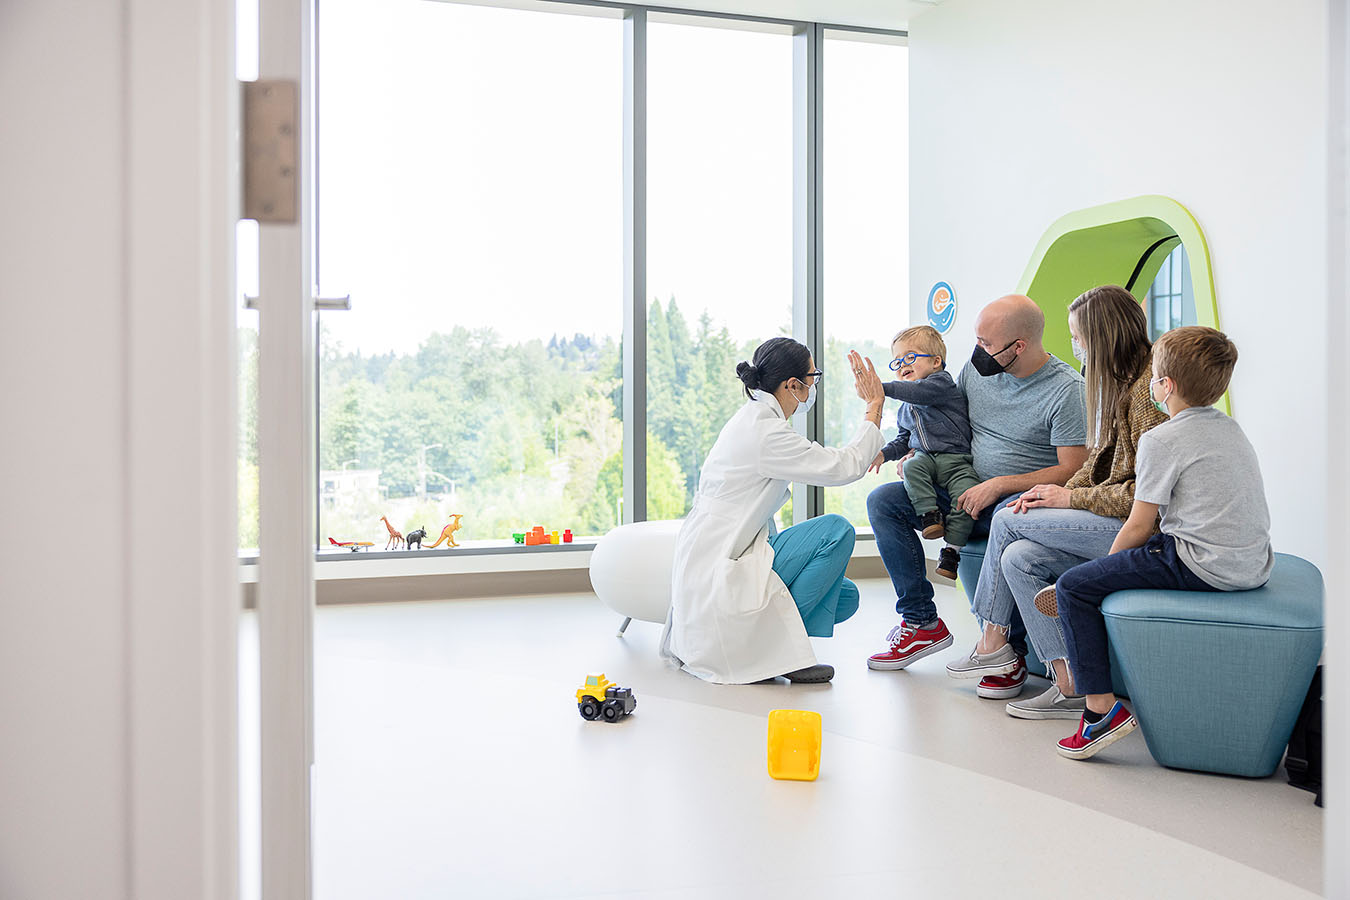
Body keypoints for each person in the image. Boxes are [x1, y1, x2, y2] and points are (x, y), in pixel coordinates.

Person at [1037, 326, 1272, 759]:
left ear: (1167, 385)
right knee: (1118, 567)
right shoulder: (1230, 429)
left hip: (1199, 563)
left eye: (1155, 375)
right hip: (1253, 564)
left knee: (1074, 587)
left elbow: (1140, 525)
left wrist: (1097, 573)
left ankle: (1099, 713)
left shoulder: (1161, 439)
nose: (1150, 382)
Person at [943, 285, 1168, 709]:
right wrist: (1058, 490)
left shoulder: (1145, 396)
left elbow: (1147, 496)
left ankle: (992, 640)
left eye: (1079, 338)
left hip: (1144, 532)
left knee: (1009, 518)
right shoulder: (1121, 385)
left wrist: (1072, 500)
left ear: (1101, 338)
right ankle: (1070, 684)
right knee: (1018, 558)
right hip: (1111, 517)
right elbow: (1099, 463)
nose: (1075, 347)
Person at [866, 295, 1087, 678]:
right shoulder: (976, 371)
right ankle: (921, 623)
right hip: (961, 488)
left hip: (1020, 501)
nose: (977, 352)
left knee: (1008, 517)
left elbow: (1073, 469)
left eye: (986, 345)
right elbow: (946, 420)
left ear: (1019, 346)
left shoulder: (1066, 390)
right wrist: (919, 456)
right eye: (977, 341)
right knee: (883, 501)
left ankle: (1010, 653)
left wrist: (1000, 485)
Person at [660, 337, 887, 685]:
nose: (814, 386)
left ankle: (773, 647)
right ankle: (780, 658)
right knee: (837, 530)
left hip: (720, 555)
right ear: (792, 385)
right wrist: (874, 406)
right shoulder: (764, 432)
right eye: (814, 377)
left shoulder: (754, 419)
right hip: (722, 564)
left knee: (845, 597)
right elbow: (843, 466)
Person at [867, 325, 979, 581]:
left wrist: (879, 388)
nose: (902, 365)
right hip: (927, 461)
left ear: (936, 361)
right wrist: (883, 454)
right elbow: (904, 439)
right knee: (910, 467)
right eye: (896, 362)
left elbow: (919, 393)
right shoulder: (906, 408)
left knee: (965, 498)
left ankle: (952, 551)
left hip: (957, 462)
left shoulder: (941, 383)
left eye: (910, 357)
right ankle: (930, 516)